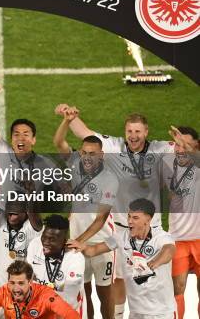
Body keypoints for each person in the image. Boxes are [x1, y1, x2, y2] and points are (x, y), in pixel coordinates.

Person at [58, 106, 174, 318]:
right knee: (120, 280)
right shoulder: (113, 146)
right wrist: (71, 117)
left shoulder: (159, 149)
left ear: (146, 132)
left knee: (154, 280)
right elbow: (85, 133)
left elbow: (190, 152)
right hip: (123, 230)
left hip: (152, 229)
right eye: (130, 131)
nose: (133, 136)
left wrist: (185, 143)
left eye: (138, 131)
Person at [54, 111, 119, 319]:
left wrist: (79, 242)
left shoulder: (110, 180)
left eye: (93, 154)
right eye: (84, 153)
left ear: (101, 155)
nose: (87, 157)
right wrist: (66, 120)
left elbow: (100, 220)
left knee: (105, 294)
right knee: (84, 292)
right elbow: (59, 142)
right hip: (77, 242)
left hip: (101, 245)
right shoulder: (75, 163)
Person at [68, 198, 177, 319]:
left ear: (148, 219)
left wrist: (153, 263)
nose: (129, 221)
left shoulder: (161, 236)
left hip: (163, 312)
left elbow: (169, 251)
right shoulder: (121, 237)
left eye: (135, 218)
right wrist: (82, 246)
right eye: (129, 217)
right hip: (135, 313)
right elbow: (93, 250)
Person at [161, 126, 199, 319]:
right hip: (177, 239)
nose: (179, 149)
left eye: (184, 144)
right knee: (177, 288)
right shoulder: (168, 164)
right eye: (176, 144)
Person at [0, 260, 80, 319]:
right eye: (12, 283)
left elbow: (72, 315)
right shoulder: (2, 292)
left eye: (21, 283)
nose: (16, 289)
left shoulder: (46, 296)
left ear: (30, 282)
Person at [26, 215, 85, 316]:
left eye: (52, 239)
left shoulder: (75, 258)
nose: (45, 242)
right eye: (44, 236)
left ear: (64, 240)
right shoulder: (34, 245)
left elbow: (69, 299)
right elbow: (29, 279)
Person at [0, 201, 43, 289]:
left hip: (23, 288)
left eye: (15, 212)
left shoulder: (31, 226)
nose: (11, 215)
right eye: (9, 210)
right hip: (0, 286)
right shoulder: (1, 221)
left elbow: (38, 225)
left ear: (25, 211)